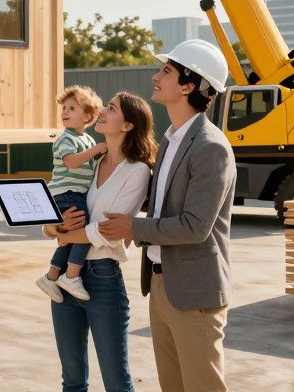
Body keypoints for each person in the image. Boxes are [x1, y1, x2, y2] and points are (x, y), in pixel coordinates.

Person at [99, 39, 236, 392]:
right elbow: (161, 209)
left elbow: (195, 226)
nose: (156, 77)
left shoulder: (210, 147)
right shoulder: (173, 140)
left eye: (166, 71)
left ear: (189, 86)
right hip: (162, 285)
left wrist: (134, 227)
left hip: (194, 293)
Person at [45, 92, 156, 392]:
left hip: (103, 278)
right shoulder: (89, 163)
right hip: (66, 280)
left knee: (116, 382)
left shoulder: (137, 171)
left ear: (128, 126)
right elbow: (57, 216)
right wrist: (55, 226)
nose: (103, 112)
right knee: (72, 380)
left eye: (111, 108)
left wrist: (64, 235)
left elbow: (105, 230)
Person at [37, 85, 106, 302]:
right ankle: (72, 275)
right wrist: (96, 150)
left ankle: (51, 276)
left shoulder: (86, 140)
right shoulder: (65, 139)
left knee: (70, 239)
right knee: (84, 233)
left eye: (72, 108)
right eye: (64, 108)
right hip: (67, 194)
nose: (65, 112)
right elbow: (72, 162)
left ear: (88, 116)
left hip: (75, 194)